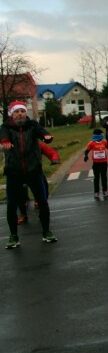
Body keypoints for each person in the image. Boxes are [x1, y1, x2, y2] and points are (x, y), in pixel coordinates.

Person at [2, 101, 57, 248]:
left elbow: (42, 132)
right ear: (11, 114)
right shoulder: (6, 126)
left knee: (43, 202)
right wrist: (5, 141)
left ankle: (46, 232)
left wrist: (47, 136)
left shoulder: (32, 124)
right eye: (16, 112)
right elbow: (3, 135)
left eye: (22, 111)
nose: (20, 114)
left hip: (33, 171)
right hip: (14, 172)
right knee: (11, 205)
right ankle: (14, 236)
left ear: (26, 113)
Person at [84, 128, 108, 200]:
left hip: (104, 162)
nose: (102, 136)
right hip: (96, 163)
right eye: (100, 134)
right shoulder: (92, 143)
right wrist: (86, 156)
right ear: (97, 135)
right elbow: (87, 150)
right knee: (96, 178)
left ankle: (105, 190)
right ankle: (96, 192)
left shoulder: (104, 142)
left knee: (104, 177)